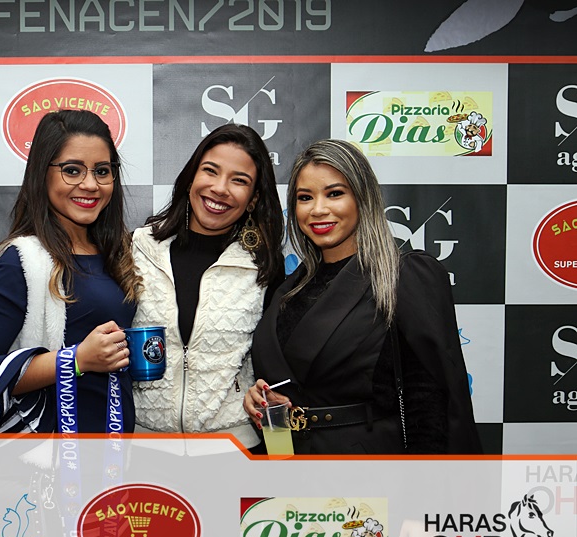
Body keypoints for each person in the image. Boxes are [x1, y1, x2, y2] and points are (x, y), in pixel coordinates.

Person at [243, 139, 482, 454]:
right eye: (305, 197)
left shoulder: (403, 277)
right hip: (289, 468)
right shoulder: (286, 291)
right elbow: (287, 403)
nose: (318, 209)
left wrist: (426, 480)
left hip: (369, 469)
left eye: (334, 193)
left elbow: (430, 403)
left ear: (362, 197)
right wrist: (264, 409)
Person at [0, 110, 142, 434]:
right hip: (51, 453)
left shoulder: (119, 254)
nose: (90, 184)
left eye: (102, 171)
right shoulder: (22, 260)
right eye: (72, 170)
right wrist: (76, 360)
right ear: (42, 174)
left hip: (113, 447)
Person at [131, 123, 285, 452]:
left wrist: (281, 457)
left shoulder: (264, 266)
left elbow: (275, 377)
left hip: (235, 451)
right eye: (210, 171)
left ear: (254, 199)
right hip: (144, 451)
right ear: (191, 178)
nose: (219, 188)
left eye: (239, 180)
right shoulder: (137, 249)